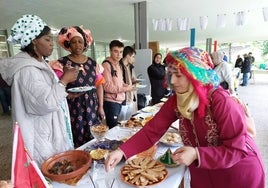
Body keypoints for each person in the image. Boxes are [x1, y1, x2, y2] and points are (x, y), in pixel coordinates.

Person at [105, 47, 265, 188]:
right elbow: (152, 130)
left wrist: (197, 154)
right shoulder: (178, 100)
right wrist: (122, 151)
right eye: (171, 75)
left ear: (196, 76)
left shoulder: (220, 101)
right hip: (204, 174)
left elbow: (237, 150)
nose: (172, 81)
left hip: (237, 174)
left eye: (179, 75)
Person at [0, 15, 79, 166]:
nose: (52, 44)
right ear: (34, 40)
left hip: (48, 128)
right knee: (48, 171)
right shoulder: (27, 70)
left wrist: (65, 92)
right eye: (48, 40)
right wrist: (63, 81)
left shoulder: (39, 63)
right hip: (41, 135)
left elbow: (46, 92)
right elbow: (44, 103)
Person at [57, 26, 105, 148]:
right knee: (76, 134)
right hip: (73, 105)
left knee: (94, 134)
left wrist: (101, 106)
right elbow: (56, 86)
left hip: (92, 105)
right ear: (68, 44)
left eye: (80, 42)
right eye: (74, 42)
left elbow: (99, 85)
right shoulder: (62, 63)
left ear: (85, 44)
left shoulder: (93, 63)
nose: (77, 45)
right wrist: (68, 95)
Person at [102, 40, 134, 128]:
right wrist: (125, 89)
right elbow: (107, 87)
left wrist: (127, 86)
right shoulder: (106, 65)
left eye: (121, 52)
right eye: (116, 51)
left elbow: (120, 82)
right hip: (111, 103)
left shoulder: (118, 65)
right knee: (113, 129)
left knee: (119, 126)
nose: (119, 54)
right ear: (110, 51)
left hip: (119, 101)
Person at [118, 46, 138, 121]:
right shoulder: (118, 66)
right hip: (122, 99)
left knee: (128, 121)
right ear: (127, 56)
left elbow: (132, 79)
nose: (134, 59)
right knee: (121, 122)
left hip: (131, 97)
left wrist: (135, 82)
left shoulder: (130, 66)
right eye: (133, 56)